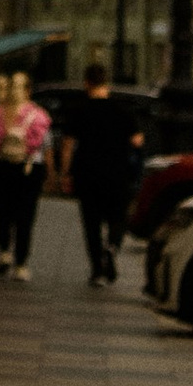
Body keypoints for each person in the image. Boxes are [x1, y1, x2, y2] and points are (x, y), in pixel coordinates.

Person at [55, 54, 145, 286]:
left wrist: (65, 173)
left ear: (87, 83)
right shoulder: (122, 111)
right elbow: (137, 141)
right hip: (118, 173)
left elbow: (67, 146)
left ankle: (97, 270)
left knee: (91, 222)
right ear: (107, 84)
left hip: (87, 174)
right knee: (118, 217)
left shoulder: (79, 110)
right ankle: (113, 245)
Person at [0, 71, 51, 281]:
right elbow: (42, 144)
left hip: (2, 168)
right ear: (28, 90)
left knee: (2, 212)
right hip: (29, 169)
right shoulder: (38, 115)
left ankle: (4, 252)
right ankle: (21, 263)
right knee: (26, 216)